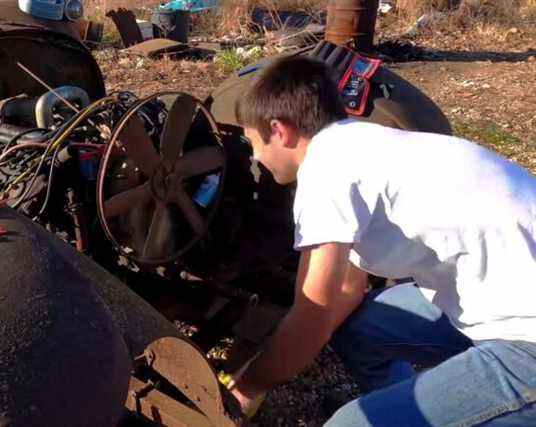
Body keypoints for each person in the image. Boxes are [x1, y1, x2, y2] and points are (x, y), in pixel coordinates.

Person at [226, 56, 536, 426]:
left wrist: (248, 385)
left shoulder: (326, 172)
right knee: (361, 331)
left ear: (279, 130)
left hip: (526, 337)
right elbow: (345, 289)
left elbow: (314, 313)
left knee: (349, 425)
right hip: (503, 294)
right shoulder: (365, 145)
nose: (257, 157)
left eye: (252, 141)